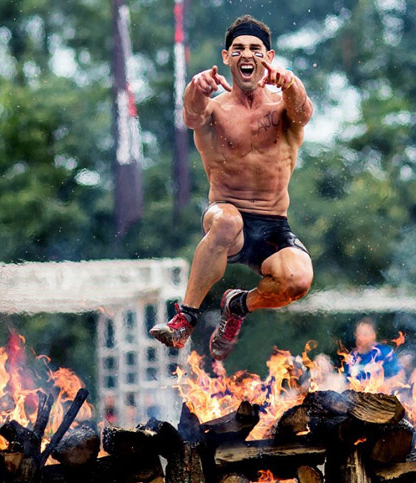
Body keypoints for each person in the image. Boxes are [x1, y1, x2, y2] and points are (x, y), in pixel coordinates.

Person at [150, 15, 314, 360]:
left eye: (255, 49)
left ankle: (238, 305)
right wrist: (196, 87)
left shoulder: (284, 105)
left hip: (272, 226)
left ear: (269, 57)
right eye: (238, 49)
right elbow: (190, 115)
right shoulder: (215, 109)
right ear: (226, 58)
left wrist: (292, 83)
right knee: (227, 221)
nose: (246, 55)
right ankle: (185, 318)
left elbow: (304, 112)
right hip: (226, 215)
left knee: (298, 281)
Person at [343, 318, 401, 382]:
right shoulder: (351, 358)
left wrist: (382, 386)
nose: (361, 338)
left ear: (373, 336)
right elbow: (345, 382)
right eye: (358, 334)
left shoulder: (385, 353)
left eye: (365, 334)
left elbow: (400, 376)